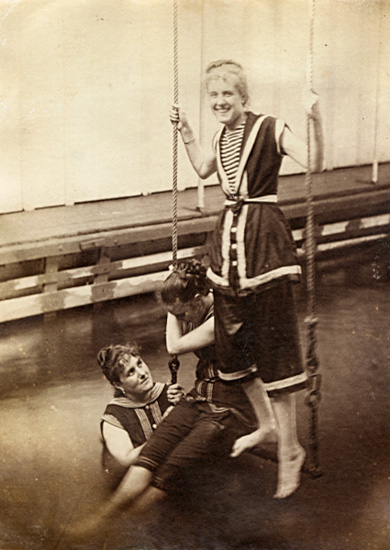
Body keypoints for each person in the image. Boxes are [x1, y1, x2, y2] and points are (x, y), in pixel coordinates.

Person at [170, 59, 324, 498]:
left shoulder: (270, 128)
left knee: (275, 350)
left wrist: (316, 117)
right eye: (213, 96)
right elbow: (203, 169)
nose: (220, 102)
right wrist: (185, 130)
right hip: (228, 250)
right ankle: (268, 426)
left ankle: (291, 450)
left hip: (263, 246)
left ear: (244, 98)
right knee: (232, 353)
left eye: (228, 96)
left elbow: (313, 161)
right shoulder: (221, 136)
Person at [65, 260, 257, 540]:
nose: (180, 318)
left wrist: (171, 306)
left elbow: (174, 346)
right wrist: (173, 298)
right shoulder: (196, 308)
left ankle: (119, 531)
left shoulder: (222, 317)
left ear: (195, 300)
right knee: (153, 452)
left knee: (169, 469)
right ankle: (101, 518)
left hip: (229, 408)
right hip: (202, 395)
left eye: (180, 312)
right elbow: (136, 454)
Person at [97, 342, 184, 488]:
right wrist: (164, 428)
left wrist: (184, 406)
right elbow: (127, 460)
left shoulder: (169, 393)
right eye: (131, 372)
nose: (142, 373)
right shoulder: (113, 417)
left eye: (140, 364)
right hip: (132, 484)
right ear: (118, 384)